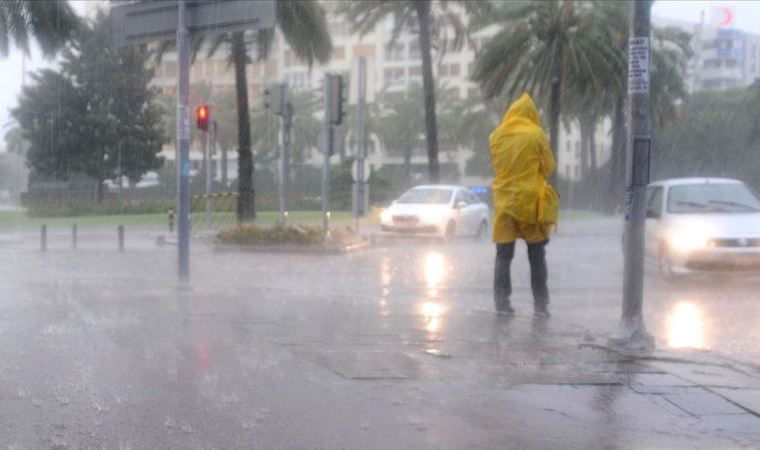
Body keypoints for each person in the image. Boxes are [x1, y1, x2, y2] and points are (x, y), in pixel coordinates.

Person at [489, 93, 559, 317]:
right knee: (536, 255)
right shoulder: (536, 134)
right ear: (530, 114)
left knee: (503, 256)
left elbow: (498, 165)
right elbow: (549, 167)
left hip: (504, 204)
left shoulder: (496, 135)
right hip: (530, 205)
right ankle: (541, 305)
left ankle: (501, 304)